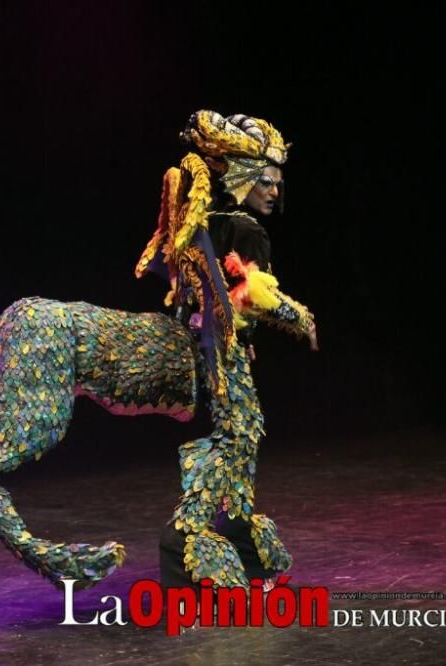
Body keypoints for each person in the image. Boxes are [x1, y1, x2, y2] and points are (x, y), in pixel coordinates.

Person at [135, 111, 318, 591]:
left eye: (279, 182)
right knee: (240, 433)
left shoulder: (207, 220)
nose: (275, 191)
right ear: (242, 175)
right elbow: (252, 295)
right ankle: (184, 536)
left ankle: (237, 530)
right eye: (267, 180)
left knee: (242, 433)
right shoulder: (244, 228)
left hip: (198, 343)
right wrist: (301, 317)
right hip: (221, 350)